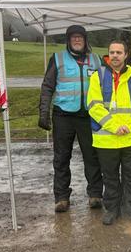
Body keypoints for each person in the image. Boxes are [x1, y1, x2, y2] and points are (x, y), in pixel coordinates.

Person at [38, 25, 103, 213]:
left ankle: (95, 194)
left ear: (85, 40)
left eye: (80, 38)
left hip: (88, 116)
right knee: (61, 157)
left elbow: (106, 87)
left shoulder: (96, 60)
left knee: (92, 157)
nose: (77, 40)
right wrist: (43, 113)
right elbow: (47, 86)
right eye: (73, 38)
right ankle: (61, 197)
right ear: (68, 40)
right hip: (63, 115)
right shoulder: (57, 59)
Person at [87, 40, 131, 232]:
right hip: (105, 139)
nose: (115, 55)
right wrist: (115, 127)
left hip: (130, 138)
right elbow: (93, 105)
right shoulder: (97, 76)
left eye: (119, 52)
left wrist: (128, 125)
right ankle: (112, 209)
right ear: (108, 54)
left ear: (126, 55)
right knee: (110, 177)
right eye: (112, 52)